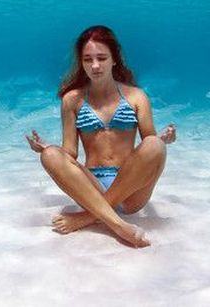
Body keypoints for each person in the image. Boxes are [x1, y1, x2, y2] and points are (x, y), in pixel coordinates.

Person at [25, 25, 176, 248]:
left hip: (131, 190)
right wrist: (47, 148)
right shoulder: (71, 100)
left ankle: (88, 217)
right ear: (81, 63)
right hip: (91, 186)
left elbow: (148, 147)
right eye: (87, 59)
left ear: (114, 59)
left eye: (102, 58)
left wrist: (164, 140)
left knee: (154, 144)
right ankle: (119, 226)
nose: (95, 65)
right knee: (50, 155)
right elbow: (70, 153)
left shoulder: (136, 97)